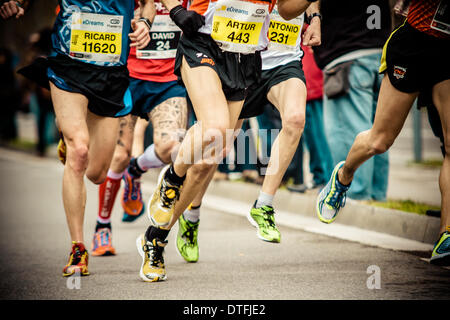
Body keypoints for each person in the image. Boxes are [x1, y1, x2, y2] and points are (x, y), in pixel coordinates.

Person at [136, 0, 315, 283]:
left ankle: (156, 237)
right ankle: (170, 180)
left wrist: (312, 10)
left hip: (243, 57)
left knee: (208, 161)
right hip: (203, 44)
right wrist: (176, 10)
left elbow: (287, 10)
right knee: (215, 128)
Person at [1, 0, 154, 277]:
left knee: (97, 174)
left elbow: (151, 4)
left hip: (110, 75)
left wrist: (144, 22)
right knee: (79, 152)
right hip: (68, 67)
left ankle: (69, 135)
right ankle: (78, 247)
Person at [316, 0, 450, 266]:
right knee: (379, 141)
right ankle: (343, 177)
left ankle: (445, 236)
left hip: (446, 52)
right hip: (414, 45)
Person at [91, 0, 188, 257]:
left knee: (171, 148)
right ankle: (102, 226)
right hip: (127, 77)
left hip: (168, 80)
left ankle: (137, 169)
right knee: (119, 155)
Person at [313, 0, 392, 201]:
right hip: (381, 51)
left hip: (347, 51)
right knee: (377, 133)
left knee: (349, 132)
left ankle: (354, 196)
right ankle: (376, 196)